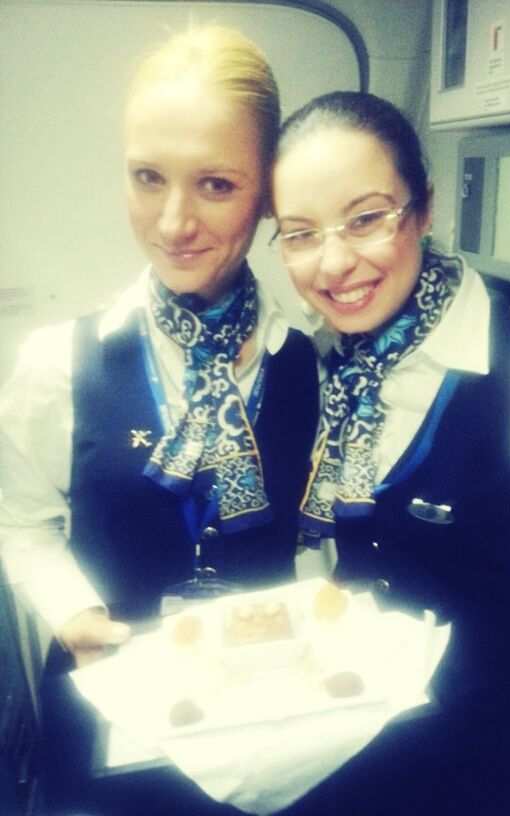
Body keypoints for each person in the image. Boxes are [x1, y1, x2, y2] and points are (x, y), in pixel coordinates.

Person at [0, 25, 318, 816]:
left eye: (216, 184)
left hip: (266, 732)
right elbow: (19, 520)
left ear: (269, 190)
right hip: (111, 726)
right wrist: (69, 611)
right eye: (148, 177)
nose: (173, 223)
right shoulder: (55, 364)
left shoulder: (313, 364)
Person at [271, 91, 510, 816]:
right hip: (368, 750)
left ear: (424, 211)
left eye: (366, 219)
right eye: (300, 233)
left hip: (501, 765)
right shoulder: (327, 363)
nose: (333, 264)